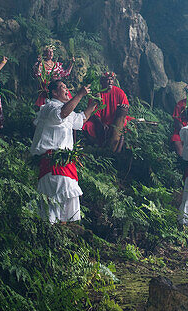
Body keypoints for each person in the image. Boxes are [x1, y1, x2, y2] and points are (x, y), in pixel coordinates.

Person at [30, 80, 100, 223]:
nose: (67, 89)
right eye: (63, 87)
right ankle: (53, 229)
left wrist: (93, 104)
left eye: (67, 87)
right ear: (54, 93)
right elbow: (62, 114)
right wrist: (80, 94)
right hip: (52, 161)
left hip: (64, 162)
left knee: (66, 197)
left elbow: (81, 119)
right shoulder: (49, 107)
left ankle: (60, 230)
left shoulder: (66, 110)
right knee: (58, 196)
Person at [82, 70, 132, 152]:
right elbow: (93, 113)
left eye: (111, 79)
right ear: (102, 82)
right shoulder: (97, 94)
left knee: (125, 124)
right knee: (87, 126)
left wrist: (124, 107)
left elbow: (125, 107)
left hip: (115, 121)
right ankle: (97, 146)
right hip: (100, 121)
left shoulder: (119, 92)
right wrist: (100, 123)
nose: (110, 82)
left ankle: (116, 149)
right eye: (107, 80)